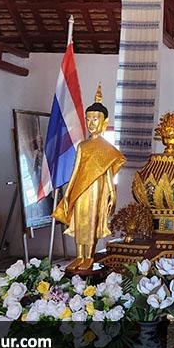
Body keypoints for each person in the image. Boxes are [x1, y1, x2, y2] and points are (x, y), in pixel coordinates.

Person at [52, 85, 125, 272]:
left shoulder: (106, 149)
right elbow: (76, 171)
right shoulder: (83, 146)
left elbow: (108, 174)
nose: (91, 123)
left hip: (96, 190)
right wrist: (67, 193)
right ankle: (79, 256)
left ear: (104, 121)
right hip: (80, 188)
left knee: (92, 221)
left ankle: (89, 257)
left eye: (95, 119)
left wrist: (111, 194)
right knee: (79, 220)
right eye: (89, 119)